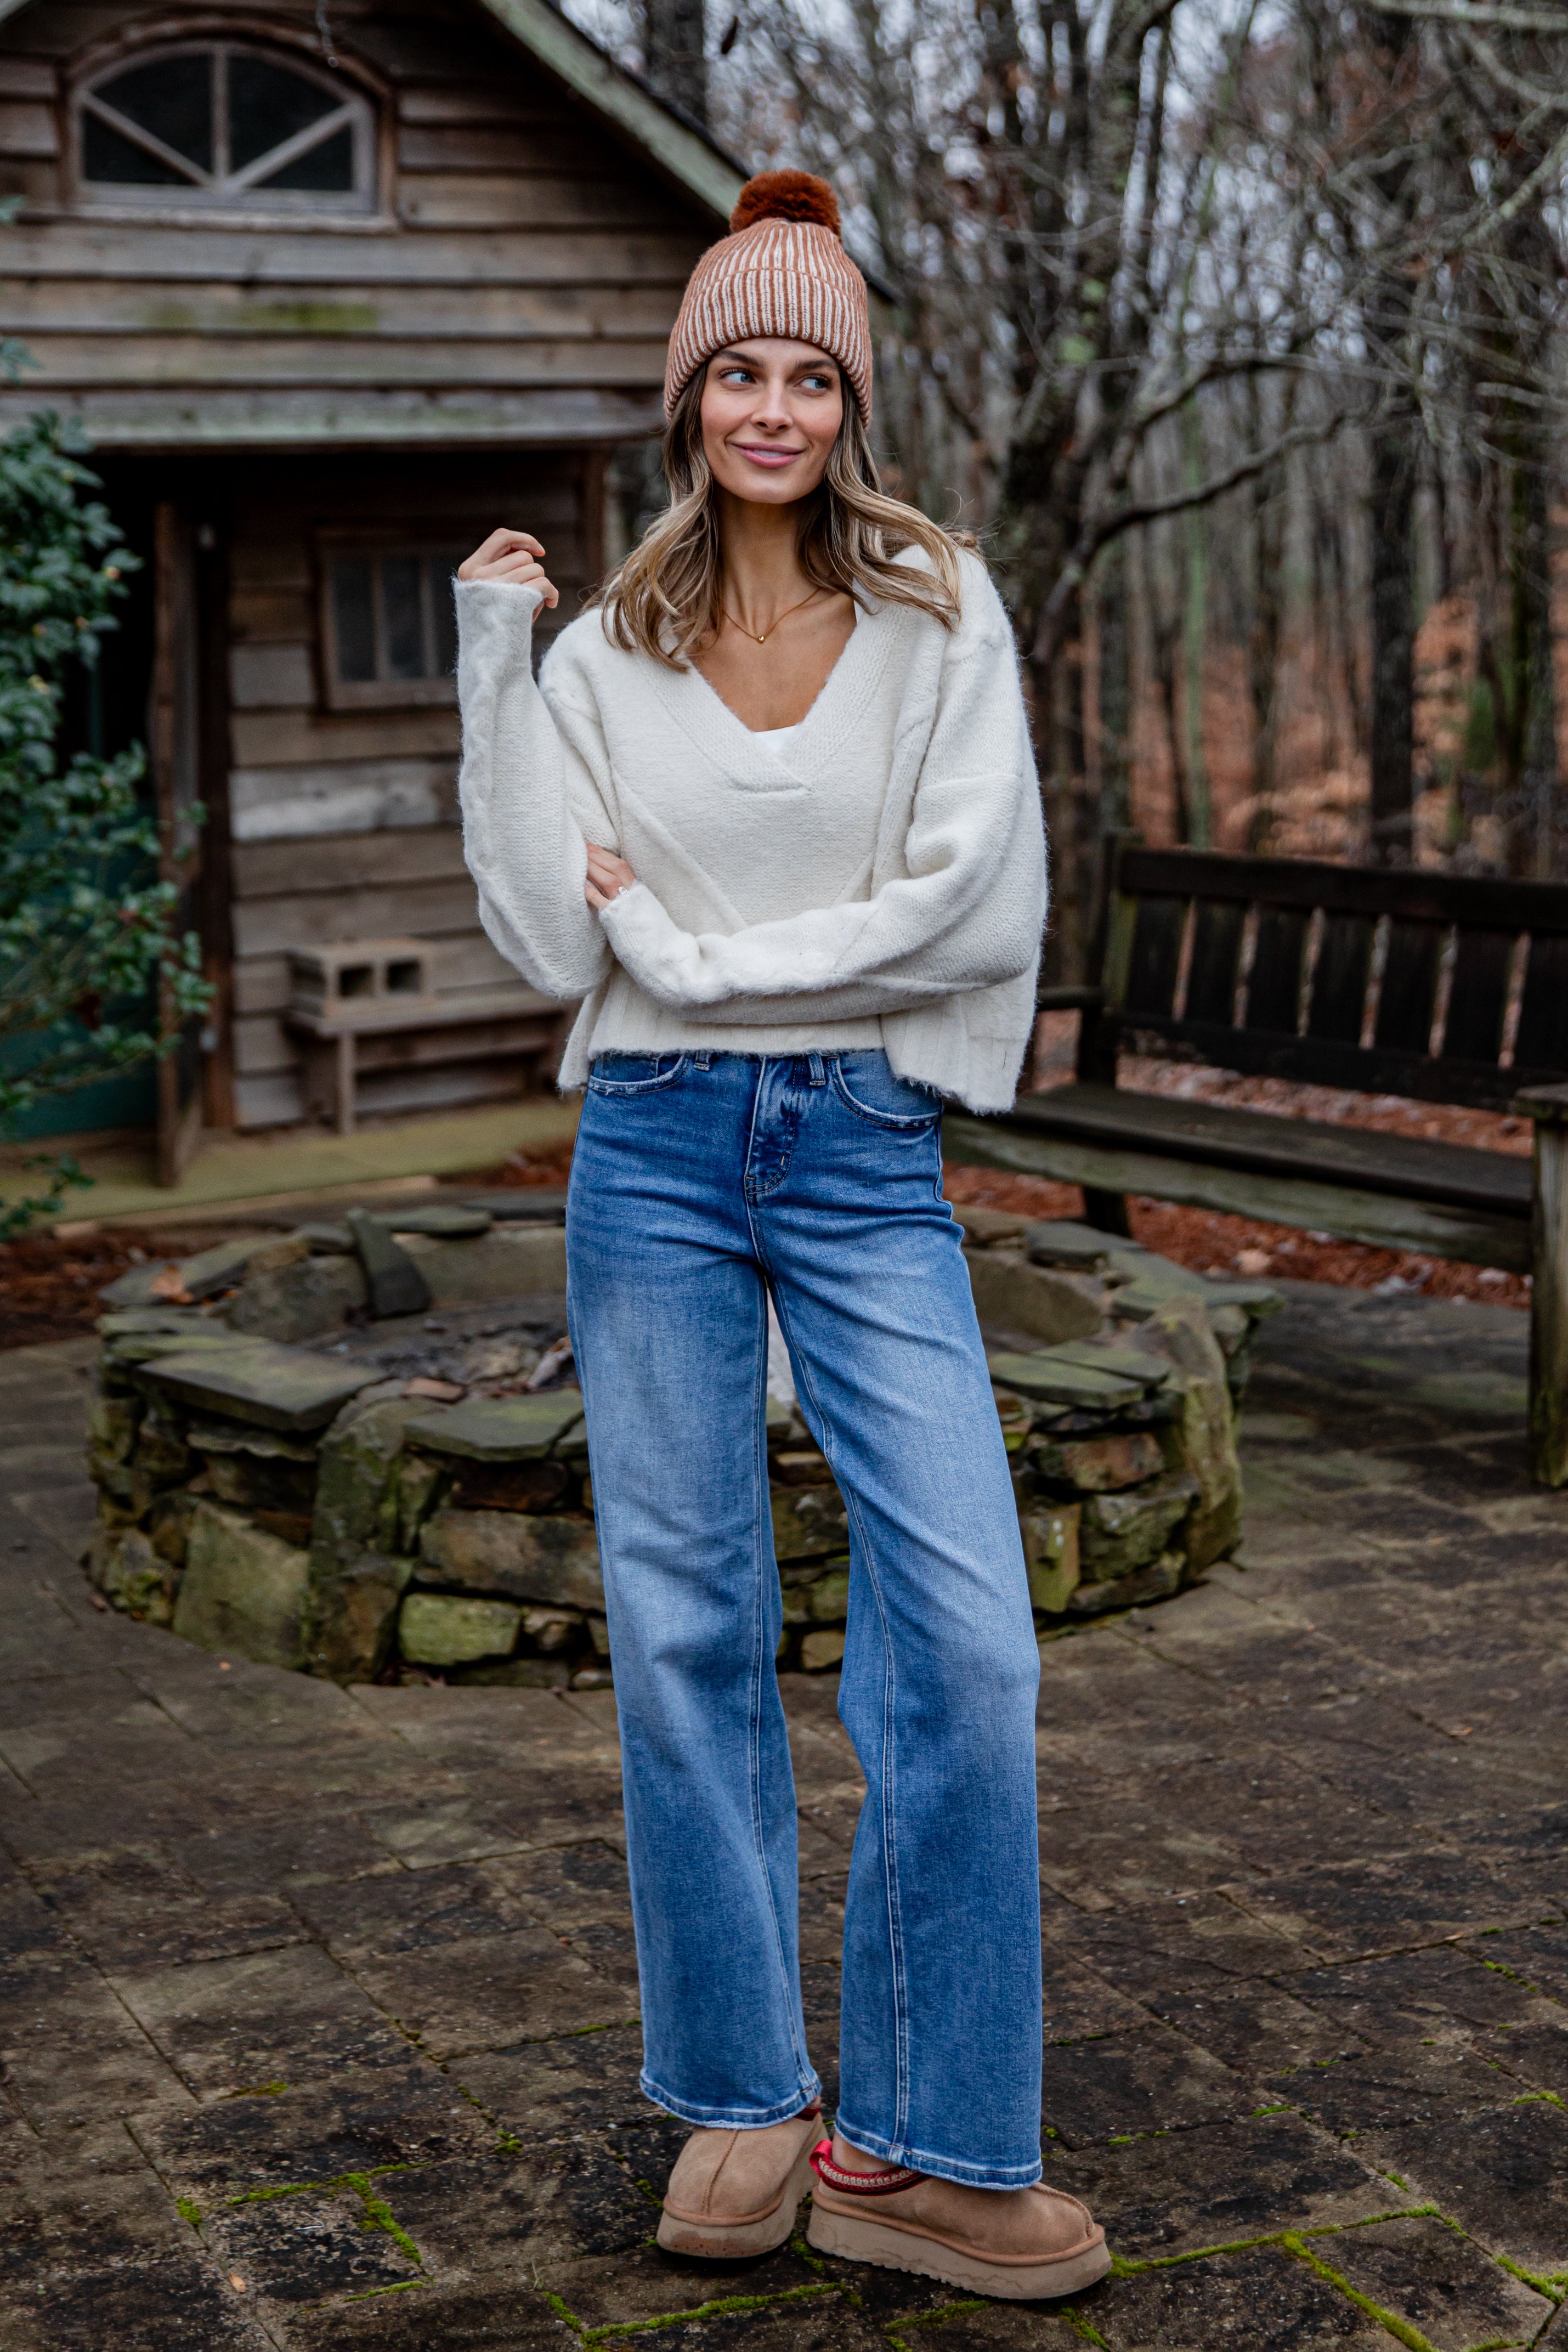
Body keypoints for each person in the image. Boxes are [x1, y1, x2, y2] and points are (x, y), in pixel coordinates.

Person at [455, 169, 1109, 2303]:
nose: (770, 406)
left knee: (972, 1647)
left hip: (860, 1147)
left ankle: (916, 2148)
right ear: (688, 400)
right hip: (646, 1150)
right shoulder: (602, 655)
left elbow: (969, 908)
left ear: (848, 403)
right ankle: (742, 2098)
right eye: (735, 368)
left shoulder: (938, 615)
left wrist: (698, 961)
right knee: (682, 1630)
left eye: (807, 375)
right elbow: (544, 931)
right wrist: (488, 666)